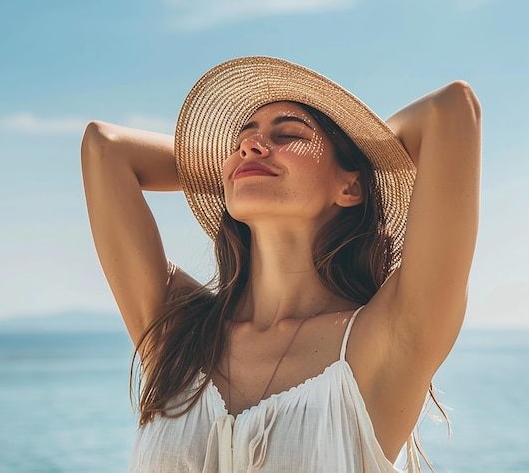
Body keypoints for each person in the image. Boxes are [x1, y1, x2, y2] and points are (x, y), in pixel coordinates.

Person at [81, 56, 481, 472]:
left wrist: (363, 158)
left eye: (289, 134)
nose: (251, 145)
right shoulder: (180, 338)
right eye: (242, 141)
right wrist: (235, 170)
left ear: (351, 186)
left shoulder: (384, 340)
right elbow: (104, 148)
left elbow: (451, 110)